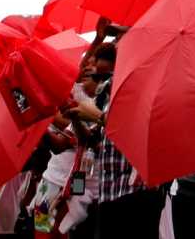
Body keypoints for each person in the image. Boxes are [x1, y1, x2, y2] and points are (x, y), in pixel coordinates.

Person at [68, 41, 163, 238]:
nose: (101, 82)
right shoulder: (104, 97)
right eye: (97, 76)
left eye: (104, 76)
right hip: (109, 191)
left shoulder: (139, 88)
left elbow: (139, 128)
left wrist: (98, 117)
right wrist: (75, 118)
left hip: (137, 191)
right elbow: (92, 141)